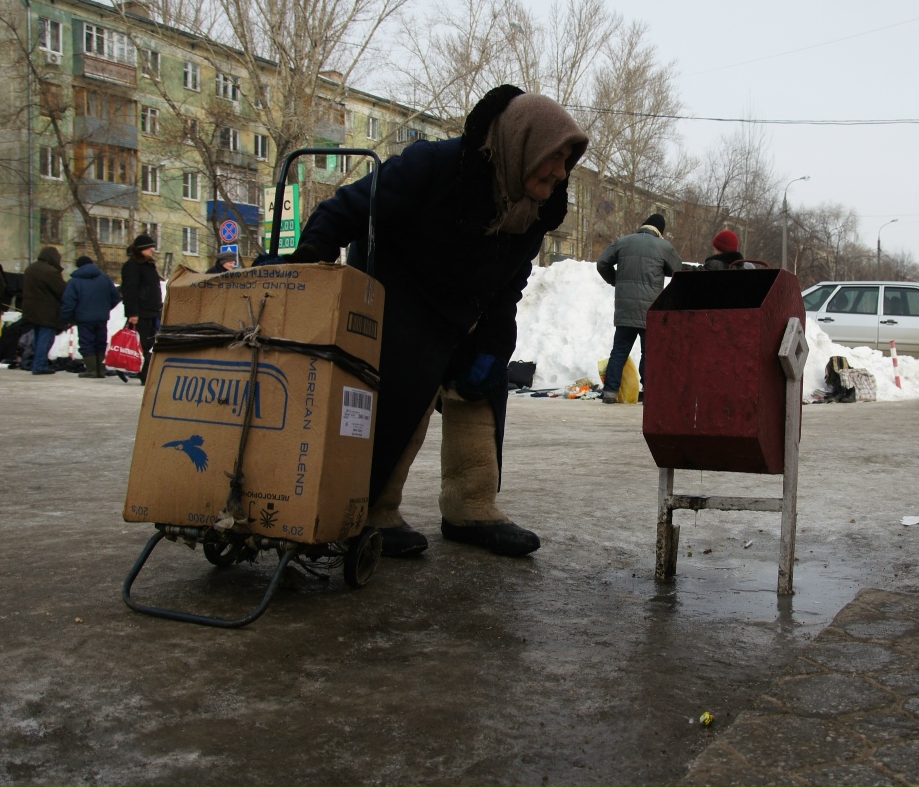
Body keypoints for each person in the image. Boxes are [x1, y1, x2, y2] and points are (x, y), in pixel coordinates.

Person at [290, 85, 588, 559]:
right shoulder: (435, 165)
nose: (559, 172)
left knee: (484, 386)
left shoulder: (534, 209)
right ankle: (371, 509)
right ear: (522, 142)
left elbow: (507, 286)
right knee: (410, 380)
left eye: (566, 162)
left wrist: (492, 346)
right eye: (554, 157)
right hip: (399, 289)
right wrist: (308, 262)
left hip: (467, 305)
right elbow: (347, 208)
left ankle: (471, 506)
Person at [596, 213, 683, 404]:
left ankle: (610, 392)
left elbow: (602, 263)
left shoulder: (623, 242)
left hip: (625, 308)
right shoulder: (664, 246)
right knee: (649, 352)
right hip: (650, 310)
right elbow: (679, 271)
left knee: (619, 351)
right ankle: (649, 392)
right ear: (660, 231)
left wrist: (616, 280)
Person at [60, 255, 122, 378]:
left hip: (83, 318)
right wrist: (105, 308)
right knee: (100, 342)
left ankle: (92, 370)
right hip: (101, 317)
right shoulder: (104, 278)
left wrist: (65, 319)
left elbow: (68, 302)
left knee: (87, 343)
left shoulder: (74, 281)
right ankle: (101, 370)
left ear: (78, 266)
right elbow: (115, 297)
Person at [121, 234, 164, 385]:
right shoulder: (132, 266)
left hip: (152, 311)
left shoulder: (148, 264)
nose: (153, 249)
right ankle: (145, 376)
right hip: (141, 312)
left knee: (148, 343)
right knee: (142, 345)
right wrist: (132, 313)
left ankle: (143, 372)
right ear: (141, 249)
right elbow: (129, 291)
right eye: (150, 247)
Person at [21, 246, 67, 375]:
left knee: (37, 338)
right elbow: (62, 291)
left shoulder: (30, 269)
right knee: (46, 339)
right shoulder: (50, 272)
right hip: (47, 312)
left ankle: (37, 362)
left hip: (31, 311)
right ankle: (39, 365)